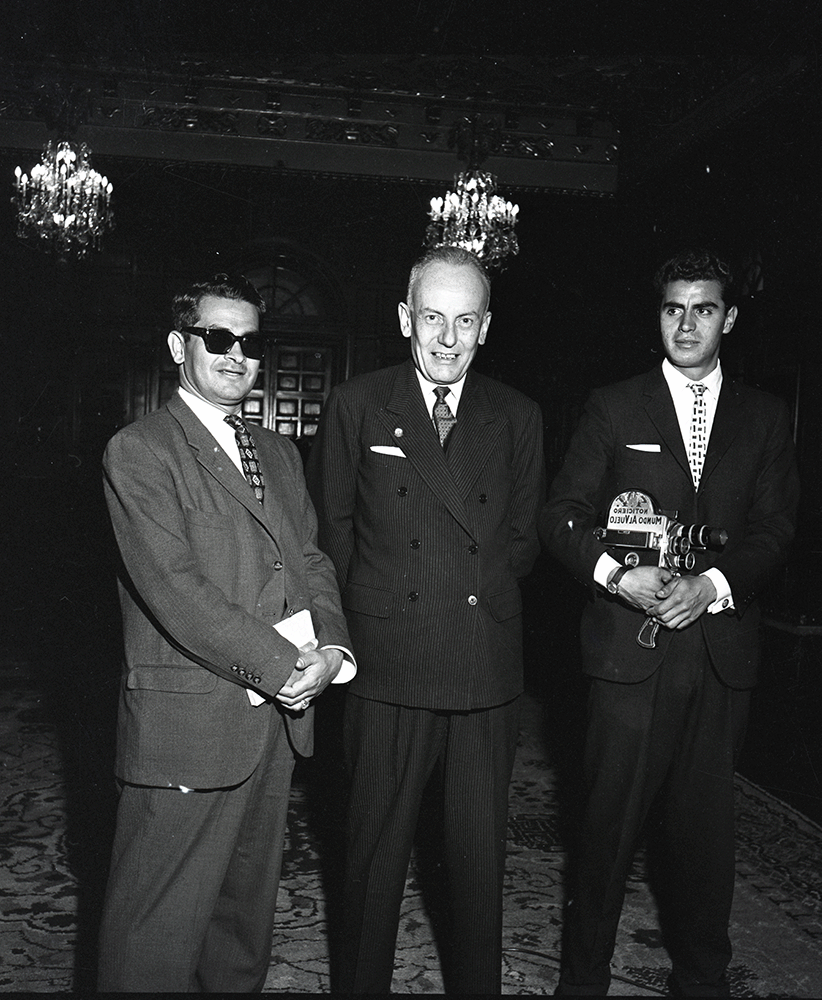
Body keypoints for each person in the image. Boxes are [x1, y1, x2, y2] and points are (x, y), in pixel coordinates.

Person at [541, 249, 799, 997]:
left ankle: (702, 985)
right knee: (606, 838)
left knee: (705, 845)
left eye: (704, 309)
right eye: (672, 308)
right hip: (628, 658)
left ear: (730, 318)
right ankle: (582, 984)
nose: (687, 324)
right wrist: (619, 578)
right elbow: (560, 516)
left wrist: (712, 583)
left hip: (719, 659)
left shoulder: (765, 416)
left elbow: (776, 531)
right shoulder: (614, 406)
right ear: (657, 315)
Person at [97, 273, 355, 992]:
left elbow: (309, 559)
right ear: (181, 345)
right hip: (190, 725)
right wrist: (283, 666)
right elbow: (177, 591)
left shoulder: (276, 451)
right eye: (219, 339)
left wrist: (331, 649)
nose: (237, 355)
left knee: (241, 932)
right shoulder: (140, 451)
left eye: (249, 341)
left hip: (272, 725)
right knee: (153, 939)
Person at [306, 245, 546, 994]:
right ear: (405, 318)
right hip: (387, 666)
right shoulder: (358, 403)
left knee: (477, 870)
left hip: (482, 672)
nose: (447, 340)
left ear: (486, 328)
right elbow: (333, 534)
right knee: (372, 865)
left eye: (465, 321)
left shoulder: (517, 414)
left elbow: (523, 541)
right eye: (433, 319)